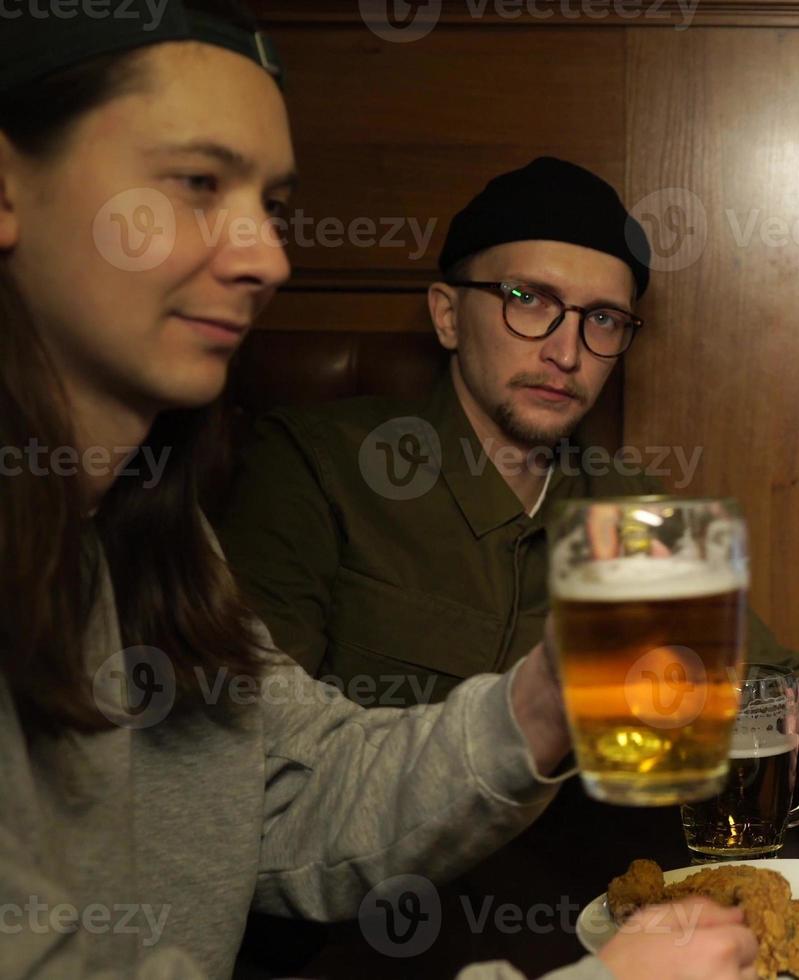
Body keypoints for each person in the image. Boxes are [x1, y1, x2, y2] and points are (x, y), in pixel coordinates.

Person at [0, 5, 750, 978]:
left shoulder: (146, 527)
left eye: (272, 207)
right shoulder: (310, 462)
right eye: (196, 182)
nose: (267, 257)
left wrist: (540, 703)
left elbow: (285, 797)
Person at [216, 157, 799, 807]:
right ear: (448, 314)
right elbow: (249, 751)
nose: (566, 351)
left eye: (602, 319)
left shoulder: (637, 509)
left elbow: (783, 687)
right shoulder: (317, 466)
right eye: (528, 298)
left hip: (592, 909)